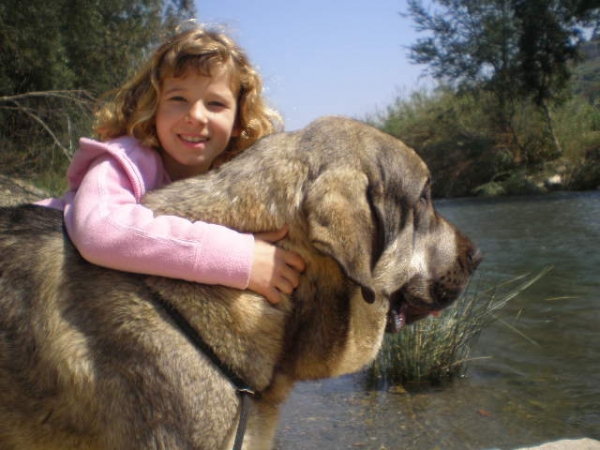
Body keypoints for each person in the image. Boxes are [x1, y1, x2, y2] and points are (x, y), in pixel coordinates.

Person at [37, 25, 305, 305]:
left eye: (215, 104)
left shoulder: (226, 179)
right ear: (153, 107)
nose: (196, 115)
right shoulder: (125, 159)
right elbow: (100, 230)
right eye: (178, 99)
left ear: (239, 121)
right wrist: (239, 257)